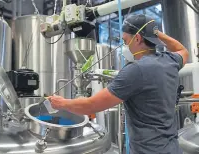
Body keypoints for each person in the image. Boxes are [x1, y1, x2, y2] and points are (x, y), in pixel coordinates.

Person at [48, 14, 189, 154]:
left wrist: (61, 103)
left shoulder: (136, 70)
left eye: (125, 40)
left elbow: (90, 106)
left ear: (138, 38)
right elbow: (183, 50)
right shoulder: (170, 61)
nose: (124, 45)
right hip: (173, 149)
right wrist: (155, 32)